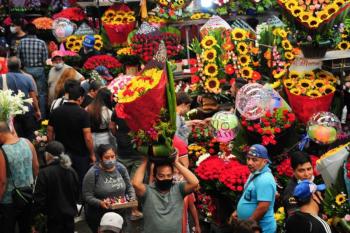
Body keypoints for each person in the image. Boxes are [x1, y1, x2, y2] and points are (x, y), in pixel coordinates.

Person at [132, 155, 199, 233]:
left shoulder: (178, 189)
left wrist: (176, 163)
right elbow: (136, 184)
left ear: (172, 175)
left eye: (169, 175)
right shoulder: (148, 191)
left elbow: (195, 182)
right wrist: (144, 161)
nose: (165, 178)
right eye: (161, 176)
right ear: (154, 176)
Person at [48, 79, 95, 188]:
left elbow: (50, 132)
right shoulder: (83, 113)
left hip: (61, 153)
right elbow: (88, 137)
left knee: (63, 181)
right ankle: (79, 203)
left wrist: (52, 149)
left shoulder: (56, 111)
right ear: (80, 98)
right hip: (80, 155)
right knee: (80, 181)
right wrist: (92, 154)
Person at [82, 144, 136, 233]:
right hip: (100, 215)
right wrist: (100, 203)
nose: (110, 160)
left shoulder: (120, 168)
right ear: (100, 158)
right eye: (107, 157)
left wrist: (132, 197)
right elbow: (87, 195)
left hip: (120, 213)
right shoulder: (93, 173)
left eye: (113, 156)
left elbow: (129, 186)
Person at [0, 121, 39, 233]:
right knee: (26, 226)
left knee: (8, 227)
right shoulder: (27, 142)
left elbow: (2, 181)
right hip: (27, 194)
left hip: (9, 199)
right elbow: (36, 167)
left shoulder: (2, 152)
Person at [34, 141, 79, 233]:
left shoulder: (44, 173)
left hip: (52, 220)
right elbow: (76, 193)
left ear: (47, 155)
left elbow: (39, 199)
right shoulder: (72, 171)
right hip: (69, 218)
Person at [233, 144, 277, 233]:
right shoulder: (255, 172)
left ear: (265, 162)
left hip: (260, 229)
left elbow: (263, 207)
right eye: (248, 158)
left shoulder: (265, 179)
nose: (249, 163)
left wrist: (247, 226)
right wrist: (237, 211)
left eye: (254, 160)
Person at [0, 56, 41, 140]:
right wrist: (37, 110)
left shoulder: (2, 78)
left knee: (13, 137)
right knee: (29, 137)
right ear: (19, 66)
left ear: (7, 66)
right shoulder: (28, 78)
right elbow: (33, 96)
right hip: (26, 112)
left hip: (10, 114)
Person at [17, 23, 48, 118]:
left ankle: (28, 115)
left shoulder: (21, 42)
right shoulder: (42, 43)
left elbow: (18, 58)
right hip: (39, 70)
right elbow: (45, 59)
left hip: (26, 70)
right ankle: (41, 116)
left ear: (26, 31)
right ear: (36, 31)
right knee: (41, 94)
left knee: (27, 93)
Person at [283, 151, 314, 217]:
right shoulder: (290, 192)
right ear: (293, 171)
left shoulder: (311, 183)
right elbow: (296, 219)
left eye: (309, 169)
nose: (306, 174)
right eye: (301, 170)